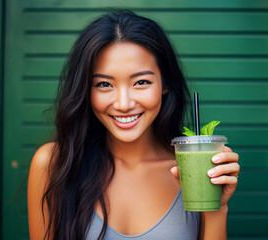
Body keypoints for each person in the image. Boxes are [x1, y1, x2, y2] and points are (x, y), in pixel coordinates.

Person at [27, 10, 240, 240]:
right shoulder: (53, 164)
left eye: (141, 82)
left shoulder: (194, 171)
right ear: (86, 90)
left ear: (165, 83)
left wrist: (217, 206)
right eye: (104, 84)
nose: (123, 104)